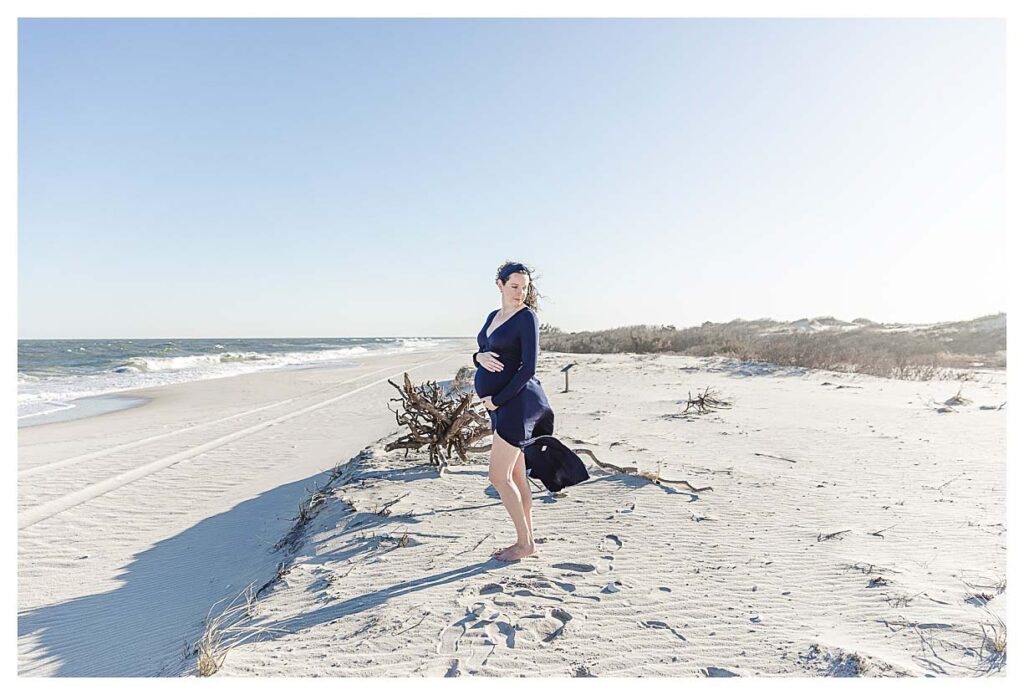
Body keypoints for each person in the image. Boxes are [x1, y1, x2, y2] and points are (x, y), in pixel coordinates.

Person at [472, 261, 589, 563]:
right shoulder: (493, 316)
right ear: (499, 284)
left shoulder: (527, 318)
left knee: (498, 477)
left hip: (516, 404)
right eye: (514, 287)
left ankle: (525, 544)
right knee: (516, 476)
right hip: (500, 407)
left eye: (524, 288)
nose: (520, 293)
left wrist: (498, 400)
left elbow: (529, 368)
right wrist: (478, 357)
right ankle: (527, 539)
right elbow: (484, 351)